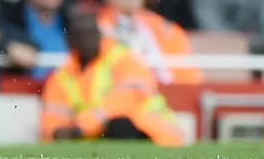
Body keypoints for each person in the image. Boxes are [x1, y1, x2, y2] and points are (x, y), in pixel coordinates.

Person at [41, 8, 184, 145]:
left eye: (92, 33)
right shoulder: (62, 76)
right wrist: (57, 132)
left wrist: (81, 128)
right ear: (69, 41)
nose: (88, 40)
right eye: (81, 34)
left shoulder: (122, 57)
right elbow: (52, 120)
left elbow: (127, 99)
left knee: (120, 125)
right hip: (99, 143)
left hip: (155, 135)